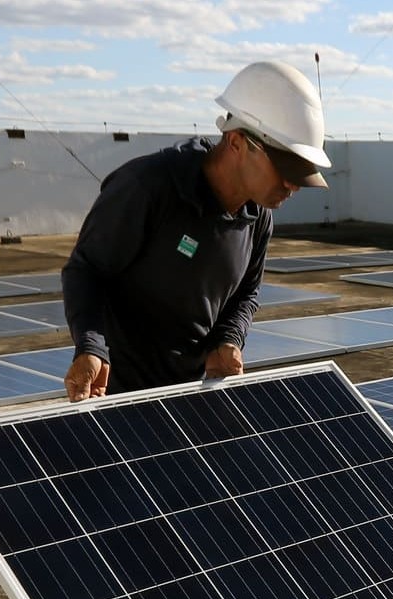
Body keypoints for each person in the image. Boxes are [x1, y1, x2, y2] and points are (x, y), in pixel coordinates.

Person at [60, 60, 330, 401]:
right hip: (116, 396)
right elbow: (86, 270)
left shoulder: (257, 216)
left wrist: (229, 339)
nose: (293, 185)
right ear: (236, 142)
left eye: (301, 172)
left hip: (190, 393)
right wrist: (90, 347)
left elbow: (246, 292)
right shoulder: (148, 187)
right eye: (284, 167)